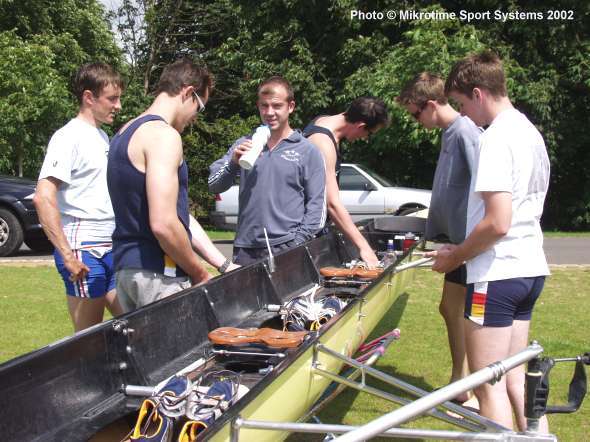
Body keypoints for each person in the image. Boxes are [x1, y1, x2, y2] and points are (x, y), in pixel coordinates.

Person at [430, 51, 550, 431]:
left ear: (479, 94)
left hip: (496, 276)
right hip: (530, 268)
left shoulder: (496, 138)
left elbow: (498, 222)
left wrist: (456, 258)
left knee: (486, 384)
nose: (464, 114)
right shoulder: (530, 131)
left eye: (464, 104)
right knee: (515, 378)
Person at [107, 58, 236, 312]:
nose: (194, 119)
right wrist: (199, 273)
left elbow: (178, 216)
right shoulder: (164, 136)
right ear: (188, 92)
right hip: (160, 276)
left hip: (127, 272)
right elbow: (164, 224)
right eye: (199, 108)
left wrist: (223, 265)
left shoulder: (124, 133)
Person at [397, 72, 481, 402]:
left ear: (431, 104)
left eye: (416, 114)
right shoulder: (449, 133)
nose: (416, 121)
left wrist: (469, 243)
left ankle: (469, 386)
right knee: (449, 308)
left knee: (463, 312)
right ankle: (461, 381)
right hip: (455, 242)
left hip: (469, 245)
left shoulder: (464, 132)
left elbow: (482, 187)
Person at [34, 62, 125, 332]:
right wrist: (68, 255)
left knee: (136, 324)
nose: (118, 106)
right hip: (84, 251)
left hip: (110, 247)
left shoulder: (102, 136)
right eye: (112, 99)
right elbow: (43, 197)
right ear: (89, 97)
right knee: (88, 342)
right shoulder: (67, 137)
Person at [208, 76, 326, 266]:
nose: (269, 112)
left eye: (277, 106)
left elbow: (317, 208)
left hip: (287, 246)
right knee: (244, 297)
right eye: (264, 106)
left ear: (291, 106)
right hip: (245, 248)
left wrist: (296, 244)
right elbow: (213, 185)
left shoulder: (307, 151)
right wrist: (233, 163)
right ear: (258, 106)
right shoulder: (244, 144)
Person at [303, 97, 389, 268]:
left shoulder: (324, 120)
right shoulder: (322, 143)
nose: (365, 138)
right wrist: (364, 247)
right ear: (361, 126)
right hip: (305, 231)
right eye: (369, 134)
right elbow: (331, 204)